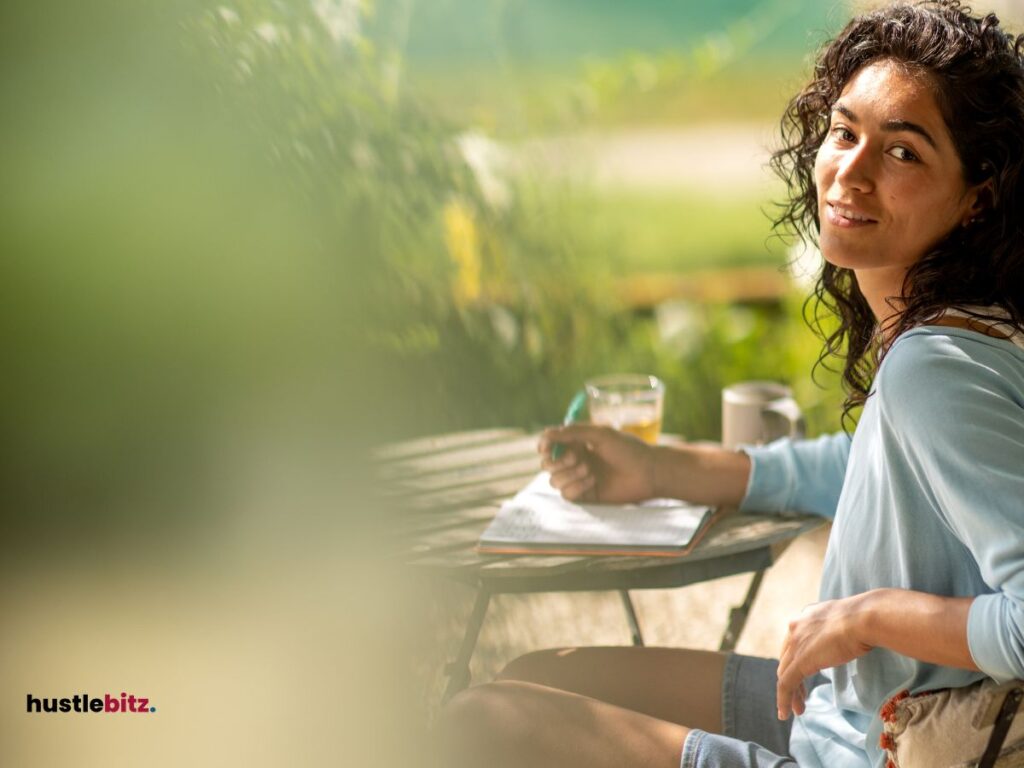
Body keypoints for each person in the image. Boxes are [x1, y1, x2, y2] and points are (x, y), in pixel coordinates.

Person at [432, 2, 1024, 767]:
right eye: (845, 133)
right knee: (539, 676)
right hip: (838, 714)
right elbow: (876, 471)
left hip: (864, 750)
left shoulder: (933, 368)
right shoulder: (975, 331)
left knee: (484, 720)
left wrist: (869, 616)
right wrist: (661, 470)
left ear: (978, 197)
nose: (850, 170)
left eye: (903, 153)